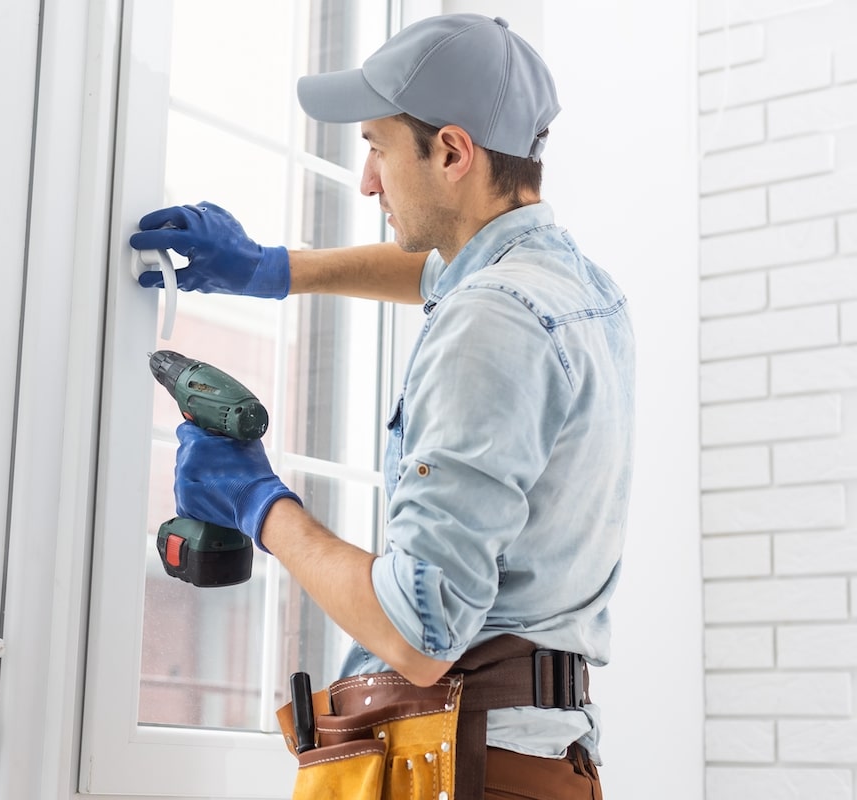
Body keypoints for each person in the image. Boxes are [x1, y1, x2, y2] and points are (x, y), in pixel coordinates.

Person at [130, 13, 632, 800]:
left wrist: (258, 503)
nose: (367, 179)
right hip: (528, 761)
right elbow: (437, 274)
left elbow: (418, 632)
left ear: (453, 152)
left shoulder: (491, 321)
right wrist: (270, 269)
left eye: (378, 146)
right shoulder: (570, 284)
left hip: (463, 766)